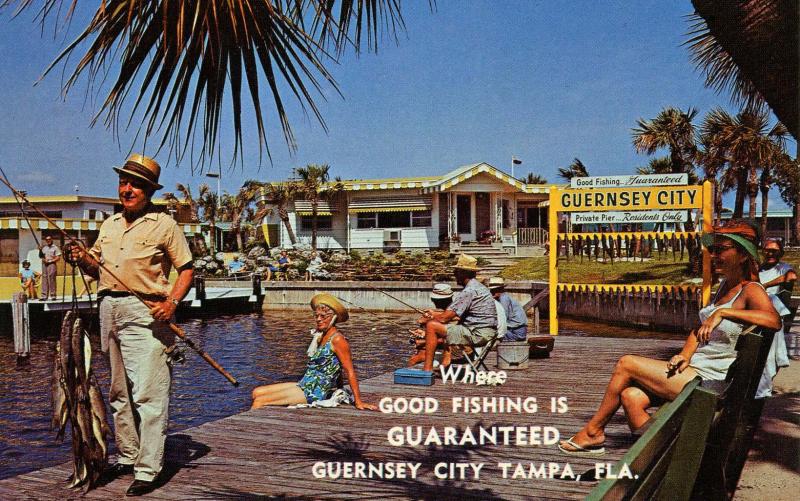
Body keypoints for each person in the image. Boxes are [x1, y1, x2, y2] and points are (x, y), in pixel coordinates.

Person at [558, 220, 780, 456]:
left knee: (626, 363)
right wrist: (685, 354)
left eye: (721, 249)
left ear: (743, 255)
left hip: (712, 383)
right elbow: (699, 331)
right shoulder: (727, 285)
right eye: (713, 250)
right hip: (697, 369)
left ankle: (594, 432)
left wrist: (723, 311)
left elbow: (774, 320)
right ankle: (664, 456)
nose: (714, 255)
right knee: (630, 396)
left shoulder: (751, 289)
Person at [71, 153, 194, 496]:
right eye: (123, 183)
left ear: (149, 191)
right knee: (118, 393)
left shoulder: (164, 225)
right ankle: (128, 454)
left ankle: (148, 468)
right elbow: (96, 268)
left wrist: (172, 303)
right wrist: (82, 258)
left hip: (147, 313)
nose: (127, 189)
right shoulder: (109, 225)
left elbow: (186, 269)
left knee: (149, 394)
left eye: (135, 185)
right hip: (108, 307)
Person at [251, 293, 377, 411]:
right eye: (316, 316)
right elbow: (335, 368)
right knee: (256, 392)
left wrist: (358, 401)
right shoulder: (320, 336)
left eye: (323, 316)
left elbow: (349, 370)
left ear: (333, 318)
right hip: (305, 383)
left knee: (260, 401)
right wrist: (338, 387)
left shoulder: (338, 339)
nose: (318, 319)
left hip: (315, 391)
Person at [416, 254, 498, 372]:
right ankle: (445, 364)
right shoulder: (478, 287)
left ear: (463, 273)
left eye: (456, 271)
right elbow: (453, 316)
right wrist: (434, 314)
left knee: (431, 326)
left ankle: (427, 370)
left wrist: (426, 319)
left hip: (478, 335)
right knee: (447, 327)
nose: (454, 274)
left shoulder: (469, 291)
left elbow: (444, 318)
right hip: (487, 332)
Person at [407, 284, 457, 367]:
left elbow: (450, 339)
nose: (433, 301)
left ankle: (423, 373)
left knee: (413, 360)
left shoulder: (452, 315)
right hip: (443, 347)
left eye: (434, 300)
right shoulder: (450, 311)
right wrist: (424, 334)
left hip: (452, 351)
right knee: (416, 357)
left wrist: (423, 341)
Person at [759, 237, 796, 310]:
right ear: (762, 252)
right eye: (767, 250)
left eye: (774, 251)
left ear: (781, 253)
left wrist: (765, 285)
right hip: (756, 306)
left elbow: (792, 276)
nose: (770, 253)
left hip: (773, 309)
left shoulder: (783, 267)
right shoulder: (758, 268)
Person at [487, 277, 528, 341]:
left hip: (516, 332)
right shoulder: (505, 297)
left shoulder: (504, 299)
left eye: (492, 290)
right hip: (517, 330)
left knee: (490, 333)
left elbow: (502, 318)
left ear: (499, 290)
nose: (491, 293)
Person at [40, 235, 61, 300]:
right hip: (45, 264)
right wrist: (40, 251)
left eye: (49, 239)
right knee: (44, 279)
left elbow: (58, 257)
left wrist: (51, 261)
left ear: (52, 240)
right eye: (47, 240)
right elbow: (41, 256)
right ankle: (44, 296)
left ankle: (53, 295)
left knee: (52, 279)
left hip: (52, 264)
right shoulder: (44, 248)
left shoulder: (55, 248)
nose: (48, 241)